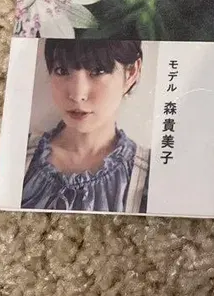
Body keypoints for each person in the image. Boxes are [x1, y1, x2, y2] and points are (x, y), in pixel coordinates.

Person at [21, 39, 150, 213]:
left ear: (132, 72)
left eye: (97, 71)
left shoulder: (149, 177)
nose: (77, 95)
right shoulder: (18, 154)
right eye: (62, 70)